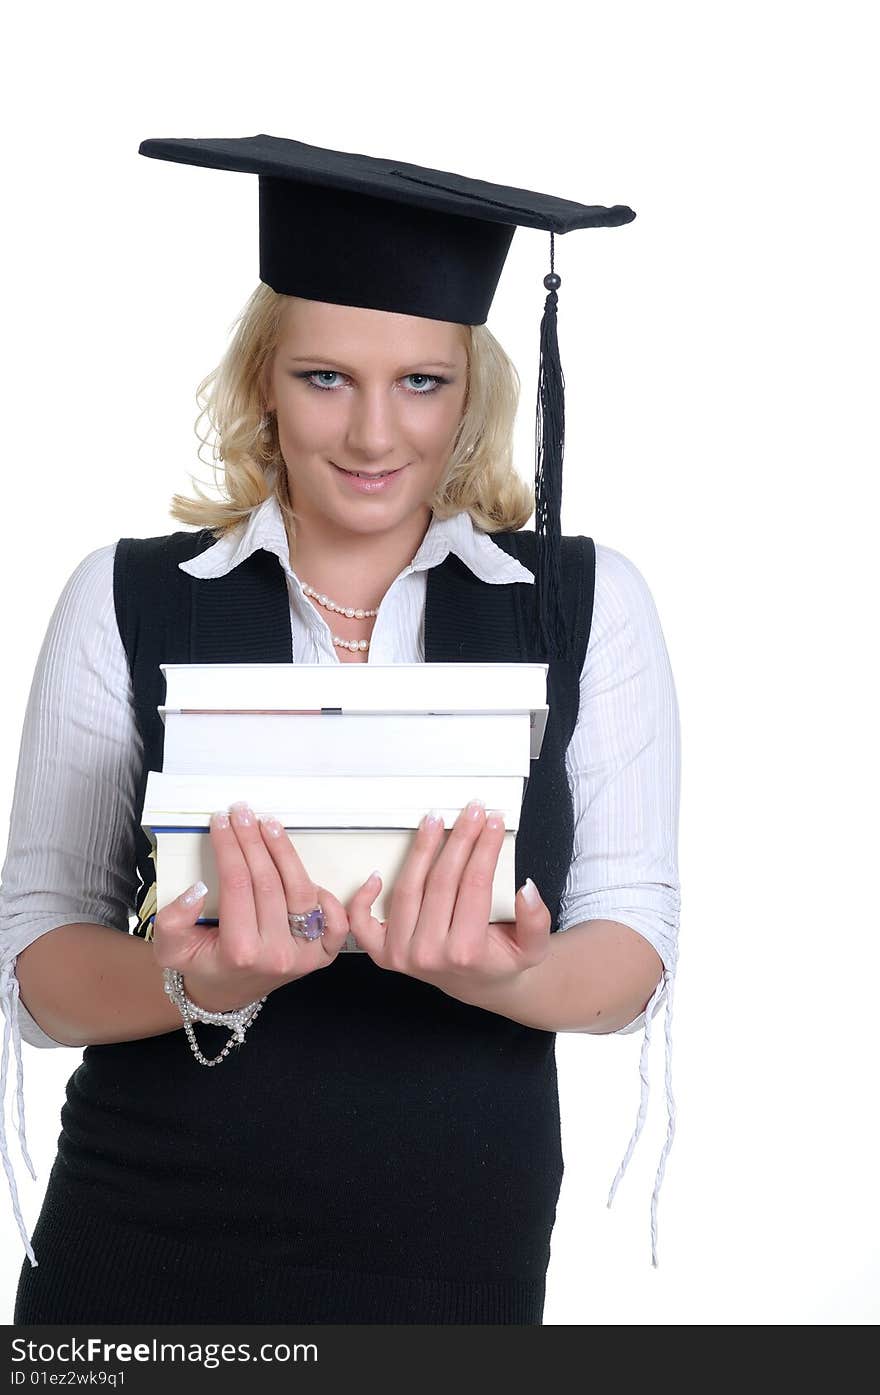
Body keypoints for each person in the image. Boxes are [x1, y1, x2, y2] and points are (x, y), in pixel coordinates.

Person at [0, 135, 681, 1324]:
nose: (374, 437)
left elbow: (631, 953)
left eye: (421, 381)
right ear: (262, 377)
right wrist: (199, 983)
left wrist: (500, 974)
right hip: (140, 1240)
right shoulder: (126, 596)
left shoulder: (581, 605)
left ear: (473, 390)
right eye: (326, 378)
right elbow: (40, 972)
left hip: (453, 1252)